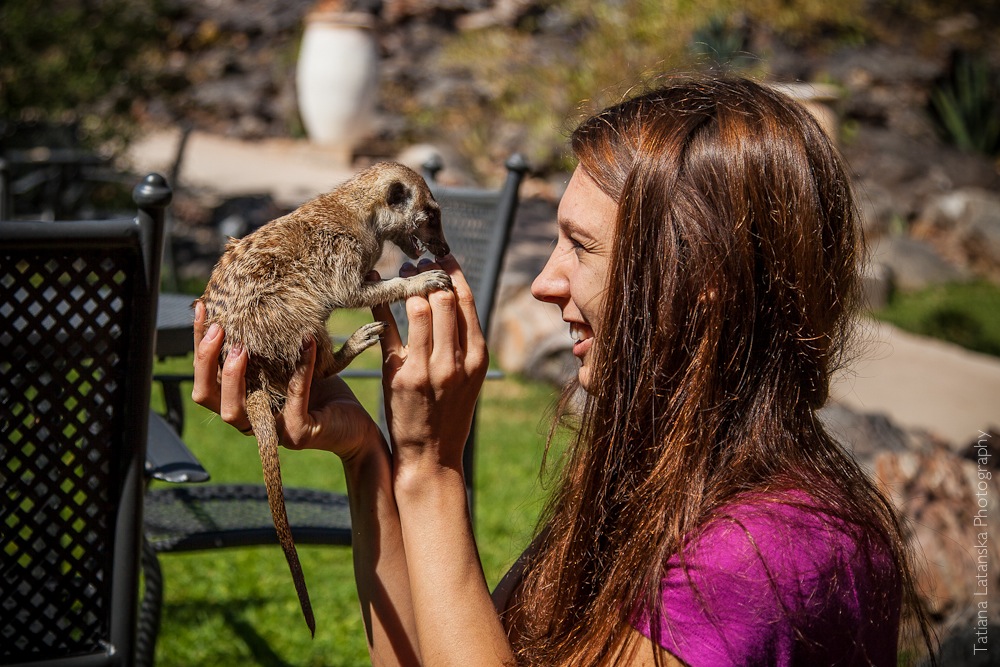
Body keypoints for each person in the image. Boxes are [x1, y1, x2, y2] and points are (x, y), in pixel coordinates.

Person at [192, 76, 934, 666]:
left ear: (698, 281)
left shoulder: (760, 555)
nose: (545, 283)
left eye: (579, 246)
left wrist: (433, 470)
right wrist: (370, 459)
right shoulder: (655, 473)